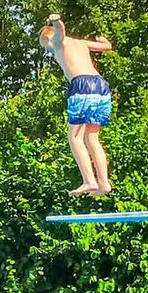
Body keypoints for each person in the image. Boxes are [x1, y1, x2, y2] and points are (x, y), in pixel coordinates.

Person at [40, 13, 115, 197]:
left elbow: (60, 32)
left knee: (75, 138)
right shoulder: (81, 43)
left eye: (44, 45)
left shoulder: (58, 42)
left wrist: (56, 22)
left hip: (82, 85)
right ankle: (104, 183)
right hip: (101, 86)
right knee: (92, 138)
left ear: (47, 38)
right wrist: (104, 41)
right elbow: (107, 47)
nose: (48, 49)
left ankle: (89, 180)